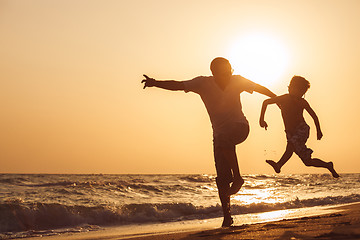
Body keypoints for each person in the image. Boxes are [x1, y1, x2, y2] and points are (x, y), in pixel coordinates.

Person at [141, 57, 276, 227]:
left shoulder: (237, 81)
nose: (226, 75)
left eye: (228, 71)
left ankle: (238, 178)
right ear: (213, 72)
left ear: (230, 70)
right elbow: (178, 85)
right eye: (221, 72)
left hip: (240, 127)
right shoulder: (202, 83)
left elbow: (259, 88)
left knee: (224, 140)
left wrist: (279, 100)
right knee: (221, 179)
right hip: (219, 137)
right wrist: (155, 83)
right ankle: (227, 216)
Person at [259, 75, 339, 178]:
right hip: (290, 133)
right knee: (307, 161)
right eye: (298, 91)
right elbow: (266, 102)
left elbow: (314, 116)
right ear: (290, 88)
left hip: (302, 129)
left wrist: (318, 130)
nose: (299, 95)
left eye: (302, 93)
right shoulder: (284, 98)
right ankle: (328, 165)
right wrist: (261, 119)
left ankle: (279, 164)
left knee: (291, 145)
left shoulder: (302, 102)